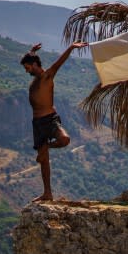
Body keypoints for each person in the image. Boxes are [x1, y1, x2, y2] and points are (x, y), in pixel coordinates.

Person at [20, 41, 87, 202]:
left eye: (28, 68)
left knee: (64, 139)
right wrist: (32, 51)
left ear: (35, 65)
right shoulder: (35, 79)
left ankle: (46, 148)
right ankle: (47, 193)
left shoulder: (47, 76)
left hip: (50, 119)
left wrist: (71, 48)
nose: (26, 71)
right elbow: (30, 60)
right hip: (37, 123)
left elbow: (59, 63)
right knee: (44, 161)